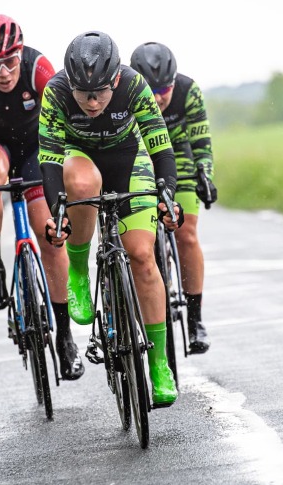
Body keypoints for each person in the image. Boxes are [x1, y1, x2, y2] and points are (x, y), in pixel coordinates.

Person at [39, 31, 181, 406]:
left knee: (143, 258)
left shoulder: (134, 85)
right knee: (84, 182)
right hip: (78, 156)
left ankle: (159, 364)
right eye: (82, 92)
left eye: (100, 91)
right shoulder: (54, 92)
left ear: (115, 79)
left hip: (128, 159)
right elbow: (50, 158)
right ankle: (79, 269)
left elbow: (161, 147)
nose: (90, 101)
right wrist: (58, 211)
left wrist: (167, 194)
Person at [0, 14, 84, 380]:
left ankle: (65, 337)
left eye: (11, 61)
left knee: (52, 238)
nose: (5, 72)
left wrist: (61, 191)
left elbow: (65, 130)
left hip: (35, 146)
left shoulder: (39, 67)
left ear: (20, 53)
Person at [129, 42, 218, 354]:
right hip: (140, 161)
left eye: (164, 88)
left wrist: (205, 174)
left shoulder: (188, 91)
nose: (157, 97)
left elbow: (201, 141)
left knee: (187, 233)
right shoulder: (127, 93)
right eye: (150, 90)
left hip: (179, 160)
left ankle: (195, 320)